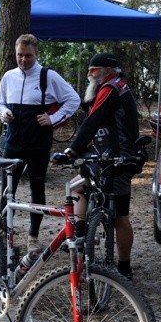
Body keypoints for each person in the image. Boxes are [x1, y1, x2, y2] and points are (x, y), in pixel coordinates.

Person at [56, 52, 140, 279]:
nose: (89, 75)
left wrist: (71, 150)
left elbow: (92, 121)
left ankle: (81, 238)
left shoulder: (110, 88)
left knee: (79, 189)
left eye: (94, 71)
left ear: (108, 71)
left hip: (115, 159)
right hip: (123, 157)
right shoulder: (120, 86)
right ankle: (124, 267)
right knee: (119, 214)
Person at [0, 34, 80, 252]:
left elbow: (74, 99)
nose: (23, 60)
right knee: (7, 189)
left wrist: (53, 118)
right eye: (19, 56)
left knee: (36, 189)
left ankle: (33, 236)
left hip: (38, 144)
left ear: (36, 54)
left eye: (28, 56)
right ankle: (4, 235)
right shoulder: (9, 76)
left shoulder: (47, 76)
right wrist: (4, 112)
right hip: (13, 141)